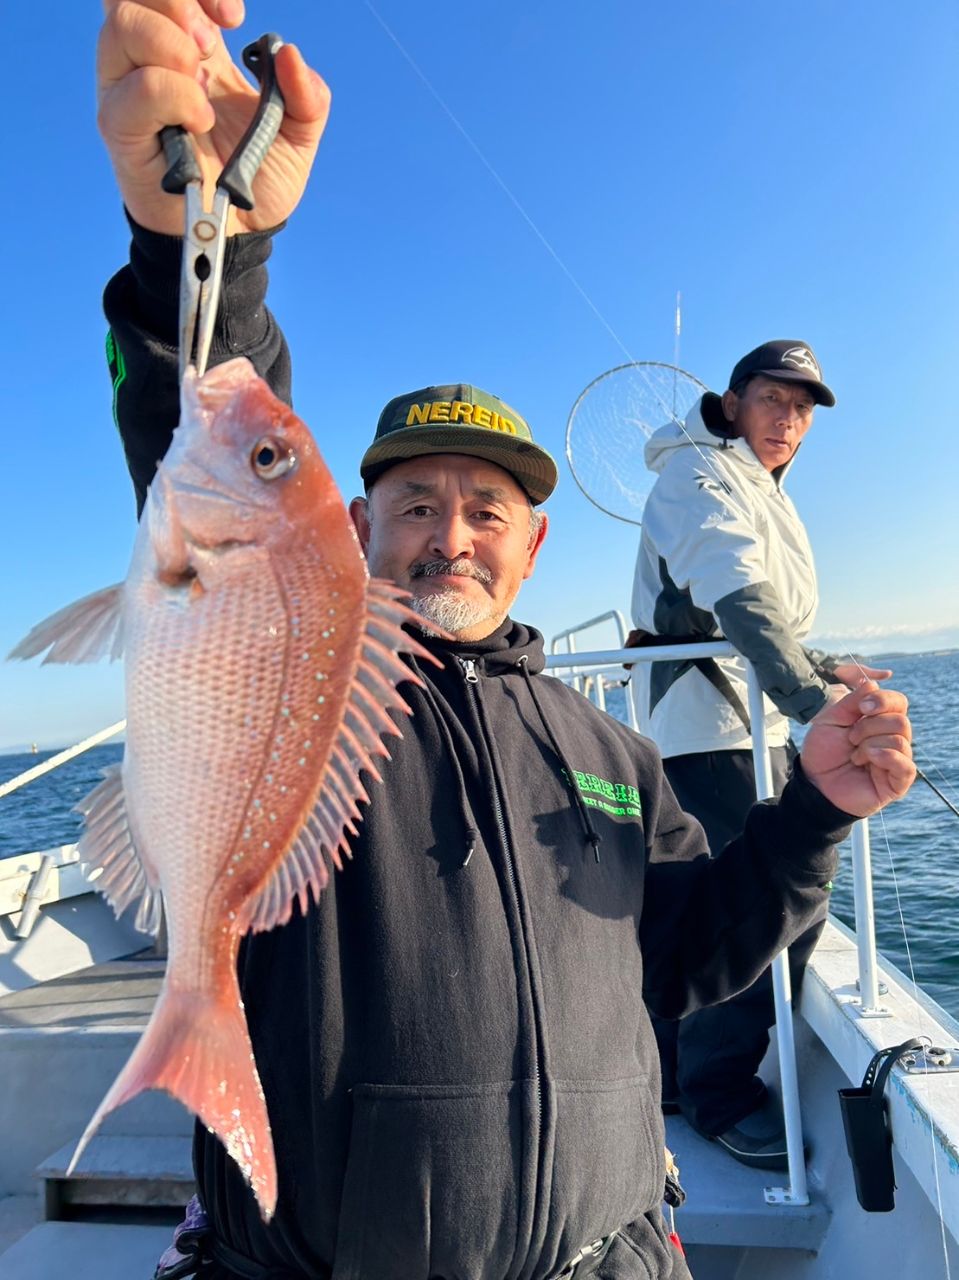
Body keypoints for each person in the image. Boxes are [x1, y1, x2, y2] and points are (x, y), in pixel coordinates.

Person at [95, 4, 915, 1277]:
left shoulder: (607, 748)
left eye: (486, 509)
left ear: (533, 546)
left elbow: (689, 952)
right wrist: (208, 251)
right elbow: (203, 446)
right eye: (414, 503)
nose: (450, 536)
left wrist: (809, 810)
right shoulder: (309, 677)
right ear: (352, 528)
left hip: (616, 1254)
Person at [629, 343, 891, 1169]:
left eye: (802, 409)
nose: (787, 419)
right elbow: (735, 596)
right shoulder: (695, 476)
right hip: (708, 732)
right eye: (773, 399)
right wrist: (820, 707)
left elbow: (768, 624)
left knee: (735, 899)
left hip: (748, 725)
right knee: (758, 909)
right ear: (733, 402)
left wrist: (823, 670)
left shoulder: (756, 485)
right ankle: (716, 1097)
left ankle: (673, 1079)